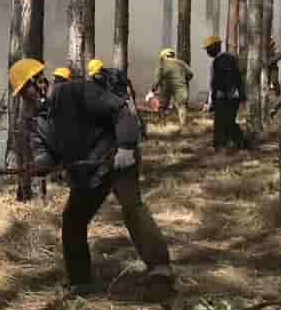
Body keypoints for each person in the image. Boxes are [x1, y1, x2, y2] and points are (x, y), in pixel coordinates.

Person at [10, 58, 173, 295]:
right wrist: (36, 167)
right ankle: (80, 282)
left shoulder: (76, 91)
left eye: (26, 91)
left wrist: (127, 146)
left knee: (132, 207)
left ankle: (160, 270)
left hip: (117, 158)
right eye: (23, 95)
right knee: (73, 221)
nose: (27, 98)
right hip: (88, 173)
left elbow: (120, 111)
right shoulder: (40, 121)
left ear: (39, 81)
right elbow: (47, 155)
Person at [203, 35, 248, 149]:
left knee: (222, 122)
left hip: (224, 98)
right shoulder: (229, 59)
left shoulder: (218, 62)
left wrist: (212, 101)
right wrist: (241, 95)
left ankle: (223, 145)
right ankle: (235, 143)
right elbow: (238, 78)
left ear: (216, 47)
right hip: (232, 97)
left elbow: (215, 83)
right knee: (227, 122)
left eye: (209, 48)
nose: (208, 51)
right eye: (207, 49)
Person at [153, 47, 193, 127]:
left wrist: (153, 88)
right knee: (181, 106)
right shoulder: (181, 63)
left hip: (165, 87)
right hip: (180, 86)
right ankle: (183, 126)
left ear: (163, 57)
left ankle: (162, 125)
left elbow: (157, 79)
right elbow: (190, 74)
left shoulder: (162, 65)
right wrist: (184, 80)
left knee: (162, 107)